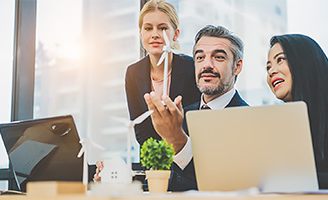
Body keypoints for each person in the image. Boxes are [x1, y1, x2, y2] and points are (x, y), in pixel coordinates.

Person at [94, 0, 200, 182]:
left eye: (163, 28)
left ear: (176, 35)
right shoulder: (133, 73)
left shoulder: (191, 67)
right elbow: (140, 130)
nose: (155, 35)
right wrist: (157, 160)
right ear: (141, 33)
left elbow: (193, 124)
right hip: (154, 165)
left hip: (189, 164)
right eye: (148, 28)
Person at [144, 25, 248, 191]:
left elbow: (225, 186)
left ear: (237, 67)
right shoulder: (180, 116)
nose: (207, 65)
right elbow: (168, 179)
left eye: (219, 57)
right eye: (200, 58)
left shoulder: (249, 121)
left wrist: (178, 141)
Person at [266, 34, 328, 189]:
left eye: (280, 60)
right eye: (268, 67)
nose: (271, 71)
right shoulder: (286, 124)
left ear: (304, 60)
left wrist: (298, 182)